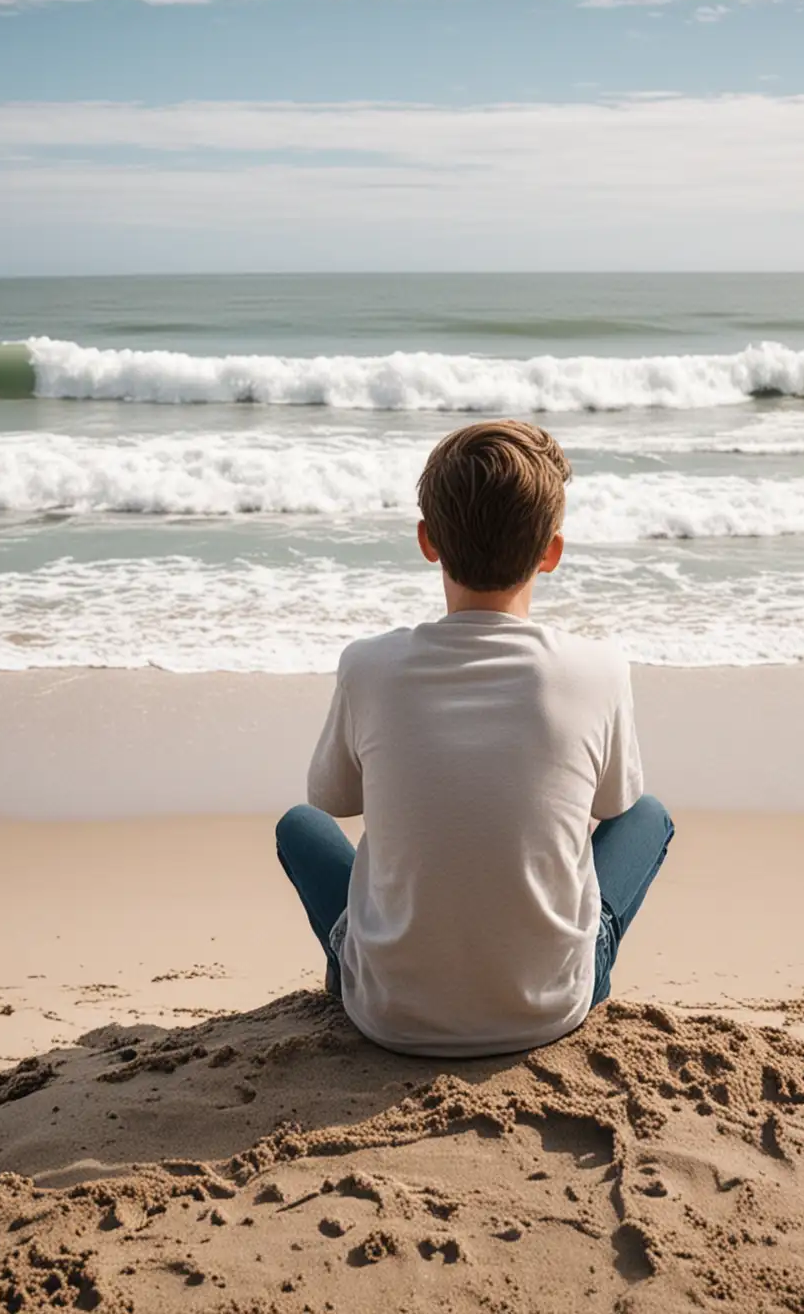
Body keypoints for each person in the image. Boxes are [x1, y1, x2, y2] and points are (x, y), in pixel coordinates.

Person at [275, 419, 673, 1058]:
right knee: (649, 815)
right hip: (549, 1011)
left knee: (299, 825)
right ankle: (552, 965)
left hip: (387, 1016)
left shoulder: (368, 666)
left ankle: (352, 969)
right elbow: (615, 807)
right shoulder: (598, 668)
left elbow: (330, 800)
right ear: (551, 551)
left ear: (428, 541)